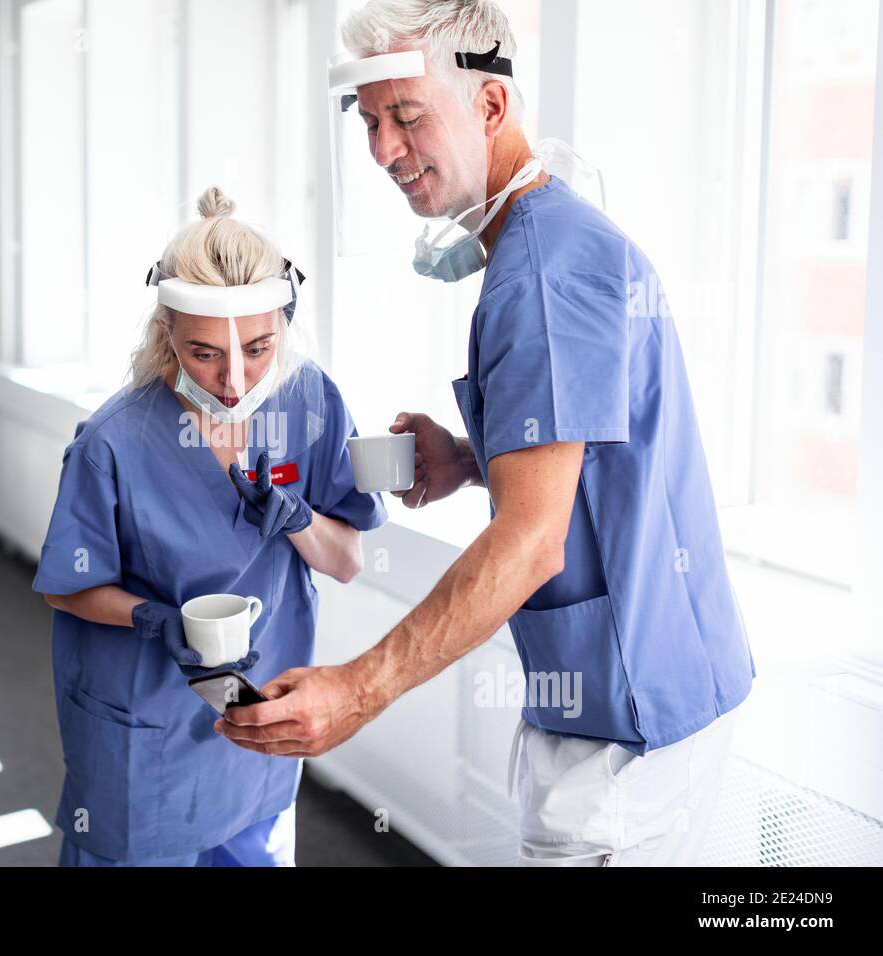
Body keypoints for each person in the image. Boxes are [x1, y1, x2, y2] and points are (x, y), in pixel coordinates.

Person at [215, 0, 756, 867]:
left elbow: (532, 541)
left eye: (408, 116)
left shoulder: (540, 275)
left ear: (491, 108)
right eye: (368, 119)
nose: (383, 149)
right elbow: (597, 450)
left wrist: (358, 689)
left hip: (626, 733)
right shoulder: (551, 240)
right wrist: (470, 459)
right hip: (646, 694)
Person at [32, 185, 386, 866]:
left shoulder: (308, 402)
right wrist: (154, 619)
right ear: (166, 332)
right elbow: (65, 586)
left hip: (257, 719)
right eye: (203, 354)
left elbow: (346, 561)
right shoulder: (114, 440)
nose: (233, 379)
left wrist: (299, 521)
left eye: (258, 348)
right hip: (148, 729)